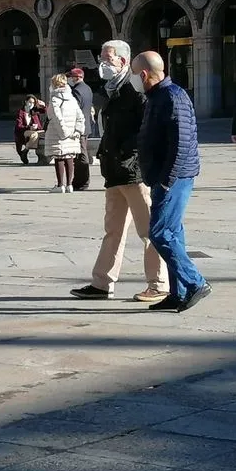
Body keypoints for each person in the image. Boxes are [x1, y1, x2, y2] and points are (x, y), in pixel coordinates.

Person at [70, 40, 169, 303]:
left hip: (134, 171)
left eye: (108, 59)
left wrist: (129, 153)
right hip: (114, 170)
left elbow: (146, 130)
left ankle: (159, 283)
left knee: (149, 231)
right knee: (113, 229)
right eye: (102, 58)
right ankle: (102, 282)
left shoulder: (135, 90)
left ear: (123, 62)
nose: (103, 64)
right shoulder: (110, 89)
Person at [133, 51, 211, 312]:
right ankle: (178, 293)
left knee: (160, 232)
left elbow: (182, 142)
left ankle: (195, 282)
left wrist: (166, 180)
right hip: (163, 176)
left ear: (144, 75)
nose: (134, 79)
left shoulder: (172, 96)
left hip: (174, 177)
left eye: (135, 74)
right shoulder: (157, 97)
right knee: (173, 232)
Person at [45, 73, 84, 193]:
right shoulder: (71, 98)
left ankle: (60, 185)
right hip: (72, 134)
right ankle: (69, 185)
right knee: (69, 157)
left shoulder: (55, 98)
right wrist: (77, 130)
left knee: (59, 157)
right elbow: (80, 116)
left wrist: (64, 132)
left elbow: (56, 117)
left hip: (59, 133)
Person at [68, 68, 94, 190]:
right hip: (86, 126)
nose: (70, 79)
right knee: (82, 153)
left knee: (81, 155)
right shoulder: (87, 88)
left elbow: (75, 110)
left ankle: (82, 182)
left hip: (80, 127)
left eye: (71, 77)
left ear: (76, 78)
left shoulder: (76, 91)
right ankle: (81, 180)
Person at [14, 94, 46, 165]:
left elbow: (44, 111)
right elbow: (19, 126)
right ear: (26, 102)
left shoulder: (34, 110)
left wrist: (43, 105)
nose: (31, 104)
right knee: (34, 135)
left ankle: (25, 151)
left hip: (36, 130)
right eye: (30, 102)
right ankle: (25, 152)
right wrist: (29, 127)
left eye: (33, 103)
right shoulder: (21, 112)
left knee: (42, 134)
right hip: (24, 131)